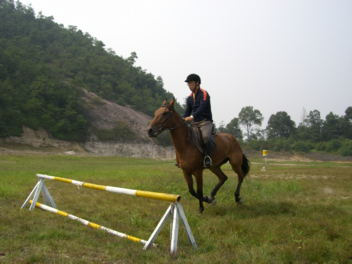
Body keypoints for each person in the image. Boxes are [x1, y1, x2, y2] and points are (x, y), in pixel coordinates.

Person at [181, 73, 215, 168]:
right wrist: (182, 118)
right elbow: (187, 111)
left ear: (197, 83)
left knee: (205, 137)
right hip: (195, 123)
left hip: (205, 122)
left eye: (191, 83)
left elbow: (202, 107)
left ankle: (207, 157)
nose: (189, 85)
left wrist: (192, 117)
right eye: (188, 84)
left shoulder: (204, 93)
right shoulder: (189, 98)